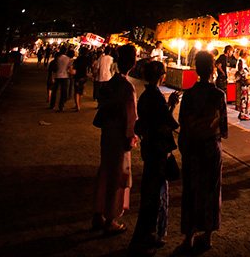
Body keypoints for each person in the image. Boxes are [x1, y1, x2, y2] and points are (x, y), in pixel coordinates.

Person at [128, 61, 180, 255]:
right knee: (153, 192)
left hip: (149, 147)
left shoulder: (146, 95)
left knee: (153, 190)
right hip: (156, 149)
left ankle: (151, 233)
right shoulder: (154, 96)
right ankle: (147, 235)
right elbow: (163, 124)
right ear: (161, 76)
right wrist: (172, 106)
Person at [179, 51, 228, 251]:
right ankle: (207, 235)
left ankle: (188, 235)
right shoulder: (218, 95)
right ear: (213, 68)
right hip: (210, 147)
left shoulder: (189, 94)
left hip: (192, 147)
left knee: (190, 189)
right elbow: (223, 128)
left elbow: (183, 123)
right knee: (211, 190)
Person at [92, 44, 138, 235]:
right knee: (117, 176)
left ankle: (97, 214)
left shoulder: (112, 83)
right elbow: (130, 115)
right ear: (132, 62)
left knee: (105, 171)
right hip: (119, 134)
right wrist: (130, 136)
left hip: (108, 132)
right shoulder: (126, 87)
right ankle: (110, 218)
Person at [49, 46, 73, 111]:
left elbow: (55, 67)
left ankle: (52, 104)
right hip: (65, 76)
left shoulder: (58, 58)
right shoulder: (68, 59)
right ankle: (61, 106)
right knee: (63, 92)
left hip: (57, 75)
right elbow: (69, 68)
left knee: (55, 91)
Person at [235, 50, 250, 121]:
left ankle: (243, 113)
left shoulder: (241, 61)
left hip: (243, 82)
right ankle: (243, 114)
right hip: (244, 82)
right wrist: (247, 74)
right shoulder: (241, 62)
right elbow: (242, 72)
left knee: (244, 98)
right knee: (244, 98)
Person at [72, 47, 89, 111]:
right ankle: (78, 103)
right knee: (81, 91)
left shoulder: (78, 59)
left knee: (76, 91)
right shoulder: (87, 59)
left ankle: (77, 106)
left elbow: (74, 66)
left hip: (78, 76)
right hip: (84, 76)